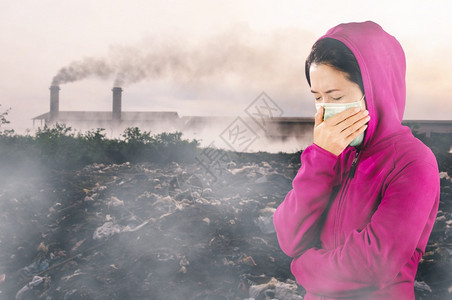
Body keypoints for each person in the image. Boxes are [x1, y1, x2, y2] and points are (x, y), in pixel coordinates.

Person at [273, 21, 440, 300]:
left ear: (376, 92)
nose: (325, 109)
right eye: (317, 98)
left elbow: (371, 265)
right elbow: (289, 237)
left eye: (335, 97)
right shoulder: (333, 152)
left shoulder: (414, 162)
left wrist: (303, 267)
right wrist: (320, 158)